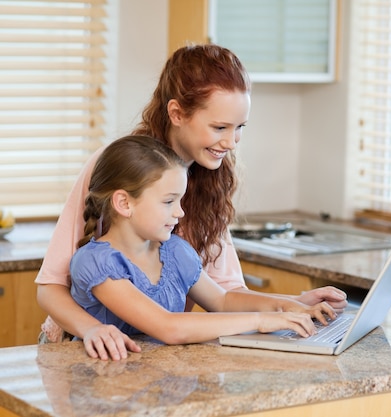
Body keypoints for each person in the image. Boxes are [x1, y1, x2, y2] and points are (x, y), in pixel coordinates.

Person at [36, 43, 348, 360]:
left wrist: (291, 304)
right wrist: (91, 329)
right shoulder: (118, 170)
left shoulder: (207, 187)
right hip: (86, 351)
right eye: (219, 127)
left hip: (154, 357)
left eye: (239, 128)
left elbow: (224, 295)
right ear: (177, 113)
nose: (230, 142)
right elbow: (50, 286)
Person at [70, 135, 335, 343]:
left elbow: (222, 301)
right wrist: (260, 320)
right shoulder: (98, 263)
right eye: (168, 201)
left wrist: (290, 305)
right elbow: (167, 327)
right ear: (124, 203)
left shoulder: (174, 252)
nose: (180, 211)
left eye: (180, 200)